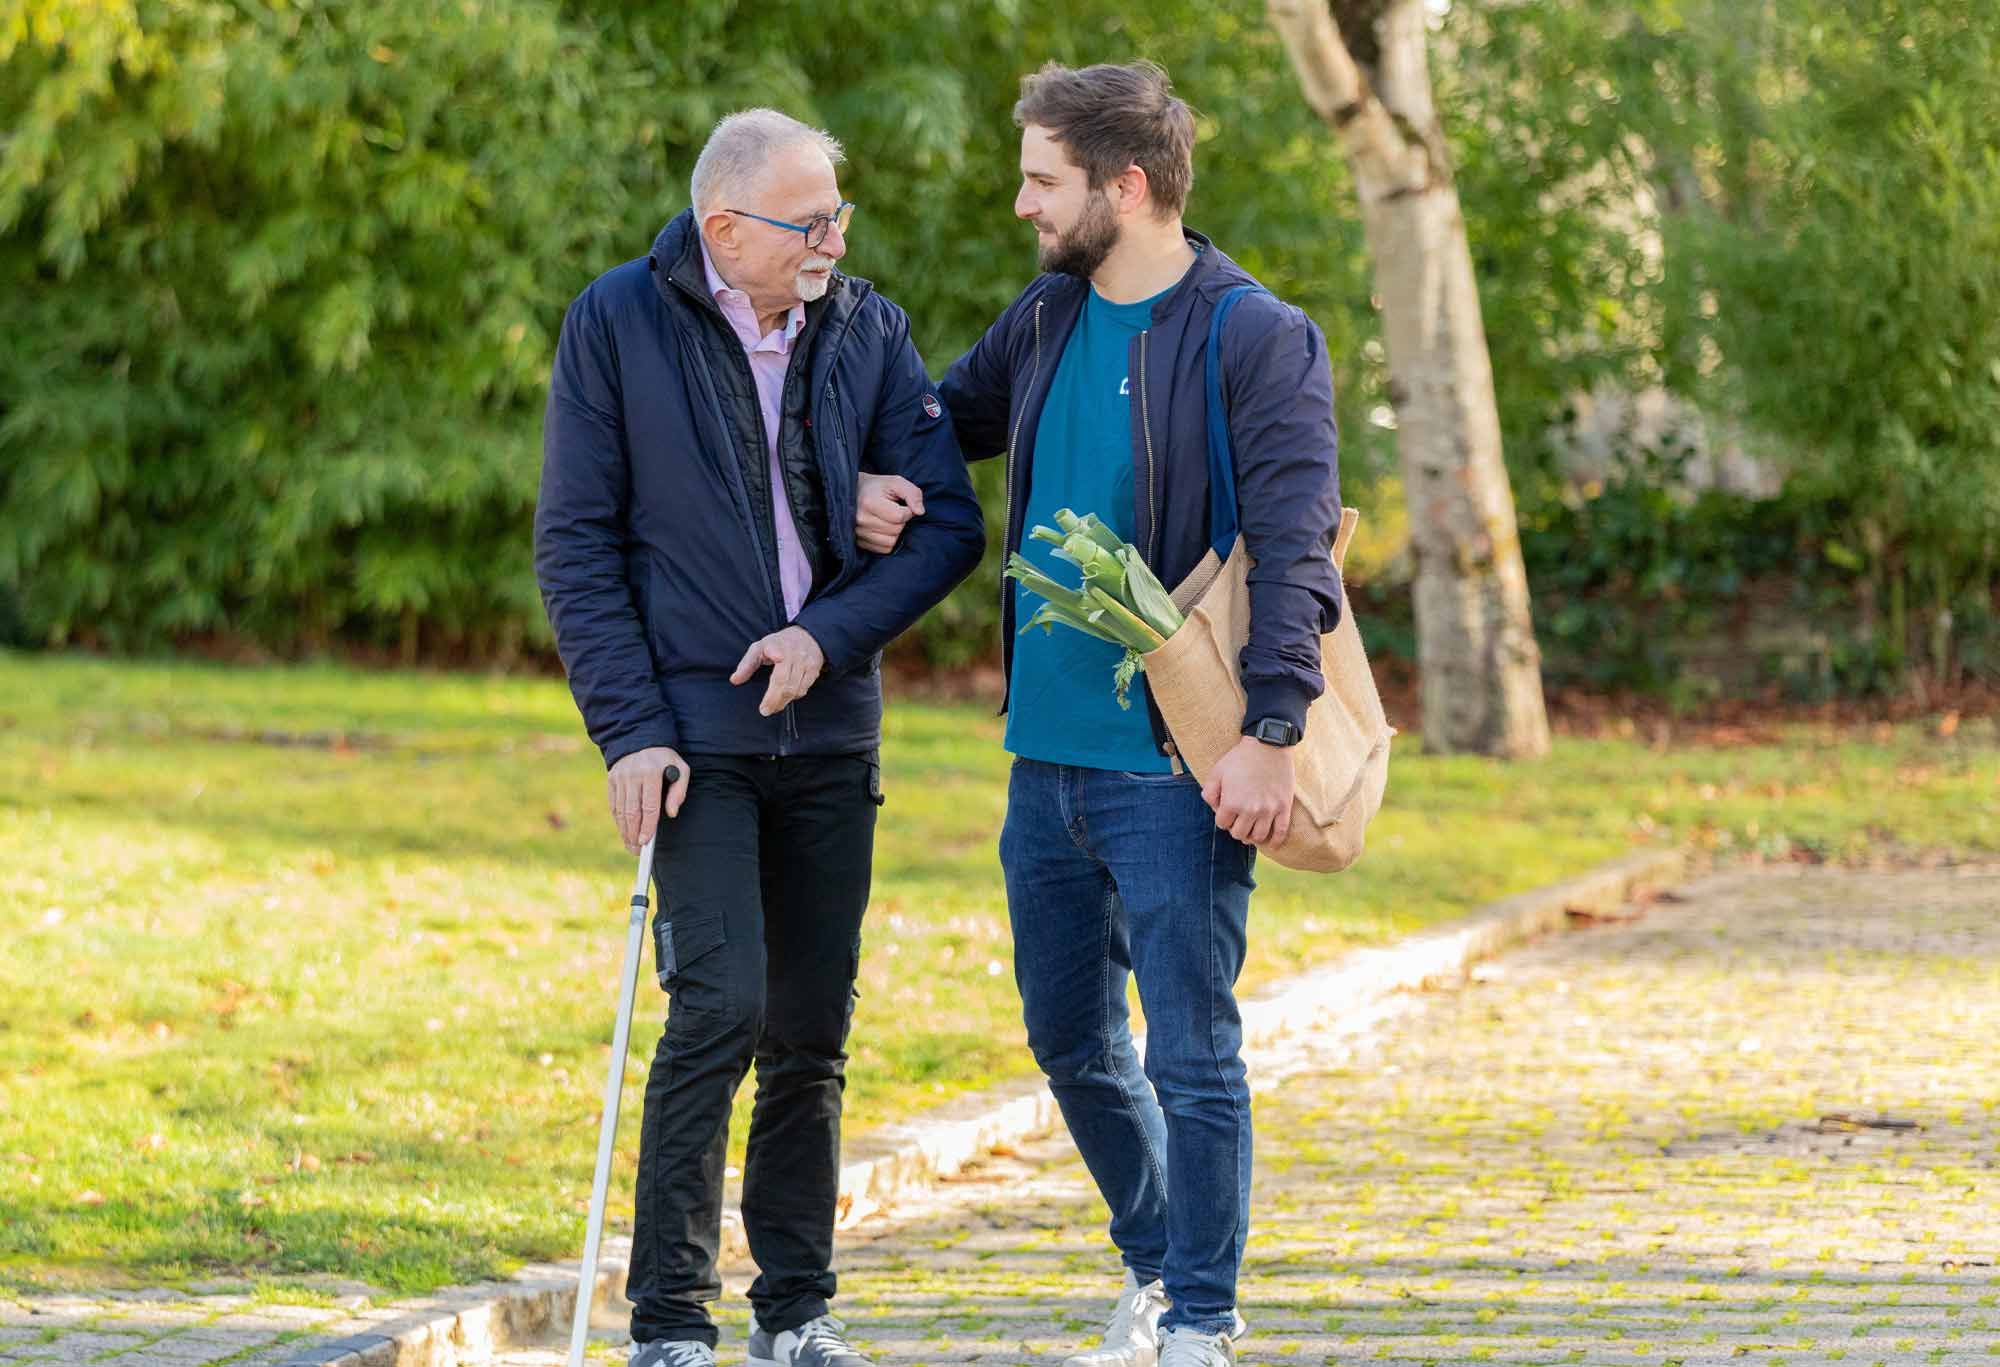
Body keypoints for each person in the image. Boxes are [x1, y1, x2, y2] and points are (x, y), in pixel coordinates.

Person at [856, 61, 1342, 1367]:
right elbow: (941, 419)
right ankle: (1154, 1260)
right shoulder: (1049, 317)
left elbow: (1299, 550)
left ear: (1125, 187)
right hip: (1046, 760)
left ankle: (1201, 1313)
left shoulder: (1255, 335)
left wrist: (1272, 731)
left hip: (1178, 764)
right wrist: (880, 476)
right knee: (1070, 1039)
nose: (1023, 203)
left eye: (1041, 180)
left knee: (1191, 1046)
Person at [535, 108, 985, 1367]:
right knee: (717, 1005)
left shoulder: (866, 328)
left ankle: (795, 1310)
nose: (832, 240)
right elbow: (575, 545)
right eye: (809, 221)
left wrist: (825, 635)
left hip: (830, 732)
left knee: (809, 1028)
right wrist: (628, 731)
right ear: (724, 227)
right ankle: (669, 1322)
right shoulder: (615, 323)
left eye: (838, 215)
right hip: (693, 733)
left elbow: (948, 524)